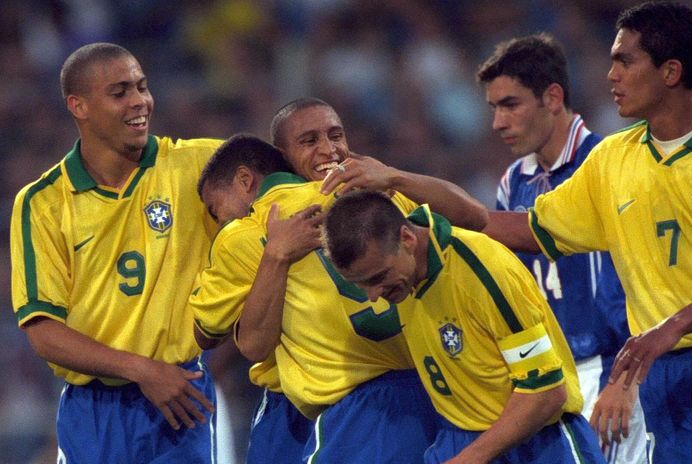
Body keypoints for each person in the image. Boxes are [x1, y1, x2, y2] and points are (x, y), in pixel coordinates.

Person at [483, 2, 692, 462]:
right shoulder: (613, 159)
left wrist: (668, 329)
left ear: (671, 72)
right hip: (669, 377)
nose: (610, 75)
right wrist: (416, 203)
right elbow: (530, 230)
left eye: (624, 60)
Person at [191, 97, 489, 463]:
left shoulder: (244, 234)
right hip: (428, 386)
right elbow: (476, 217)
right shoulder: (378, 197)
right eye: (310, 141)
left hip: (344, 402)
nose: (328, 150)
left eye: (335, 135)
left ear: (244, 180)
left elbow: (214, 335)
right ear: (284, 157)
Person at [9, 43, 220, 463]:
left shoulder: (199, 165)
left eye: (142, 87)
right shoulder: (43, 202)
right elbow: (43, 330)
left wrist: (388, 177)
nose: (140, 101)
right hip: (94, 410)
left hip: (180, 397)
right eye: (120, 91)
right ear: (79, 106)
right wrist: (142, 370)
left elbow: (296, 173)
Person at [324, 190, 605, 464]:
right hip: (459, 439)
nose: (374, 297)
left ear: (408, 238)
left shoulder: (484, 270)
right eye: (362, 285)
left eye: (378, 277)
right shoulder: (402, 278)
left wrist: (471, 458)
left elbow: (546, 392)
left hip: (538, 443)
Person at [476, 33, 647, 462]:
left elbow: (639, 283)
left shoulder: (607, 164)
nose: (498, 122)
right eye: (494, 108)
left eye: (510, 105)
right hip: (550, 380)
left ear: (553, 97)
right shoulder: (513, 181)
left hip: (609, 372)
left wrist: (625, 382)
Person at [192, 134, 313, 464]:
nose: (220, 223)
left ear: (245, 180)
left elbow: (205, 331)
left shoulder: (239, 237)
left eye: (216, 210)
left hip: (296, 403)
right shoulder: (348, 196)